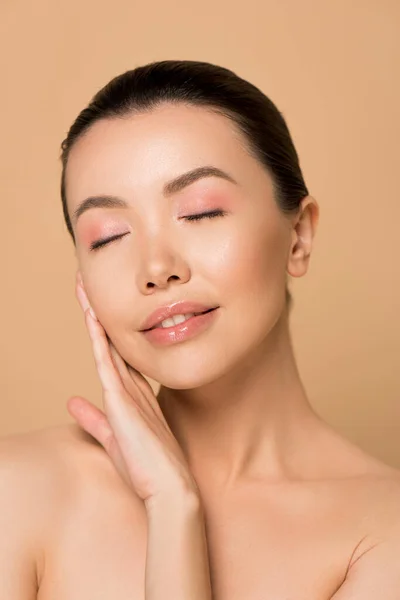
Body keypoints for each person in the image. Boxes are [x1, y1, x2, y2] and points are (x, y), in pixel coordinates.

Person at [1, 59, 399, 599]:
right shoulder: (18, 489)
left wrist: (173, 510)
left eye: (200, 211)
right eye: (108, 236)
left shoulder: (382, 533)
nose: (155, 268)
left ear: (299, 236)